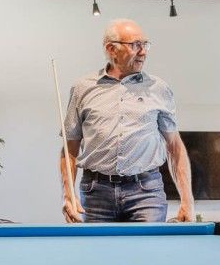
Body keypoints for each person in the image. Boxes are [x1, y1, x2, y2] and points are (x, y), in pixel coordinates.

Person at [60, 19, 193, 223]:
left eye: (145, 45)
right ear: (111, 49)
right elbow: (70, 148)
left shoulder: (159, 88)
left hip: (146, 192)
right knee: (95, 254)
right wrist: (68, 194)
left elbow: (174, 146)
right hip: (96, 194)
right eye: (135, 45)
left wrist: (187, 201)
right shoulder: (82, 89)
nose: (143, 52)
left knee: (147, 254)